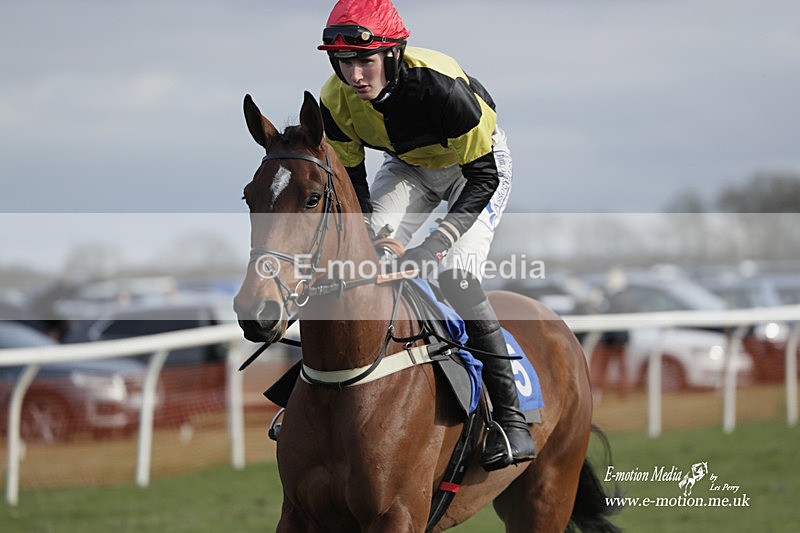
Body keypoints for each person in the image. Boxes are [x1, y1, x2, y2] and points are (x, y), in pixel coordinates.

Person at [317, 0, 535, 471]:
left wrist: (433, 247)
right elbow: (353, 182)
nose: (354, 76)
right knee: (357, 259)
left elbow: (483, 177)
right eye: (344, 62)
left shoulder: (442, 87)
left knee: (455, 275)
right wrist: (376, 238)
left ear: (393, 54)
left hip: (474, 171)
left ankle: (511, 420)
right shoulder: (334, 100)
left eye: (365, 61)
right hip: (408, 168)